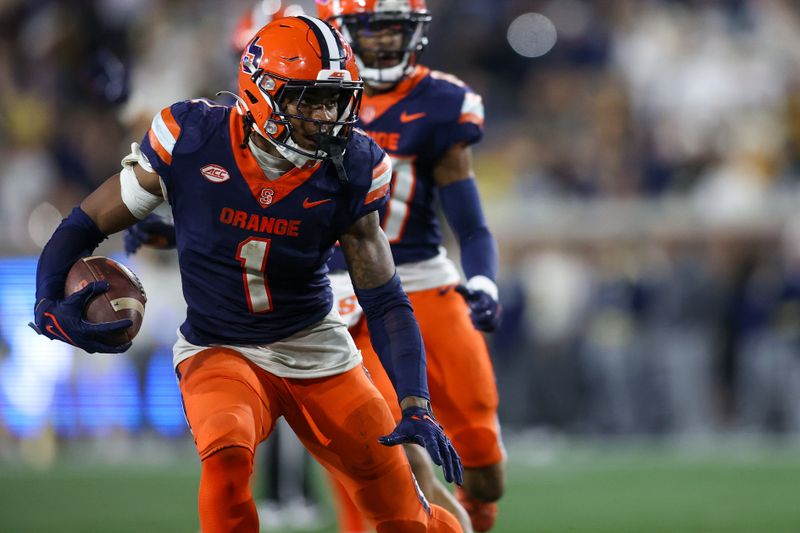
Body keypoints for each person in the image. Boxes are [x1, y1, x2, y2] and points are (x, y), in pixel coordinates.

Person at [30, 15, 463, 533]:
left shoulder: (353, 167)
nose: (327, 116)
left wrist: (416, 403)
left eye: (336, 99)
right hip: (220, 346)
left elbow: (386, 299)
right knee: (226, 455)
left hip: (315, 347)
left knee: (404, 515)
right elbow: (86, 221)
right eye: (310, 99)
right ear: (263, 93)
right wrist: (45, 302)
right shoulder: (192, 139)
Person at [315, 1, 506, 531]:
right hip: (344, 296)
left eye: (393, 28)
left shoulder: (442, 103)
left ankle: (478, 514)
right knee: (403, 453)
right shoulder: (306, 100)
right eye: (369, 29)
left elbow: (470, 223)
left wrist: (484, 279)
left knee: (484, 466)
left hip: (424, 278)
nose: (381, 42)